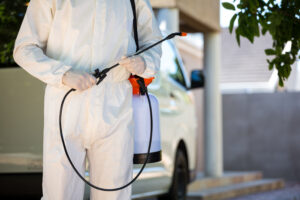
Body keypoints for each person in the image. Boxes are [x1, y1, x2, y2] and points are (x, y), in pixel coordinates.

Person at [13, 0, 162, 199]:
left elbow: (153, 42)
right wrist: (63, 74)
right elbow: (24, 48)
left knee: (115, 195)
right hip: (66, 105)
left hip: (115, 108)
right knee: (60, 194)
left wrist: (145, 62)